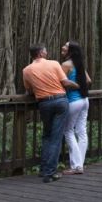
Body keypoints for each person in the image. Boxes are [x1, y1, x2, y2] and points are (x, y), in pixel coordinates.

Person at [22, 43, 79, 183]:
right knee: (56, 138)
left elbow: (29, 90)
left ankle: (43, 169)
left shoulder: (26, 70)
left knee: (47, 136)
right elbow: (65, 82)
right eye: (45, 51)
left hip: (44, 104)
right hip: (60, 101)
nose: (47, 53)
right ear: (41, 53)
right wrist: (79, 86)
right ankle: (50, 173)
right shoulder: (54, 64)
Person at [60, 40, 91, 175]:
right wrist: (80, 85)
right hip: (84, 100)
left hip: (73, 101)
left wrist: (71, 86)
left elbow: (60, 81)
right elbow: (88, 81)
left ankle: (76, 166)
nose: (63, 47)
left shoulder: (66, 65)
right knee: (81, 132)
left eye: (66, 46)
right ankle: (80, 164)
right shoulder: (79, 64)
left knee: (68, 131)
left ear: (70, 51)